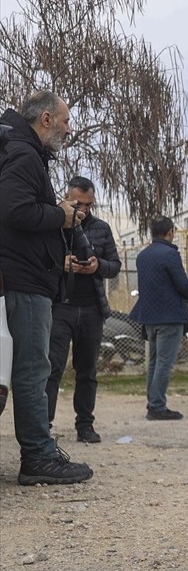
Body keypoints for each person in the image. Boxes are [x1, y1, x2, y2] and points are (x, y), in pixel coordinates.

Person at [0, 91, 94, 484]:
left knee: (28, 368)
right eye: (66, 120)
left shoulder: (19, 151)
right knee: (33, 368)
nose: (69, 128)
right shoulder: (23, 155)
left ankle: (39, 451)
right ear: (45, 120)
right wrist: (61, 215)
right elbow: (15, 210)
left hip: (24, 276)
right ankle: (38, 456)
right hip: (26, 280)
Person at [46, 176, 121, 444]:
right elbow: (38, 262)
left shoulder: (101, 228)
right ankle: (44, 428)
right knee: (52, 369)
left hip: (91, 309)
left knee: (87, 371)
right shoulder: (53, 225)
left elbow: (115, 264)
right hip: (59, 308)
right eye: (78, 203)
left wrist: (97, 265)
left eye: (88, 205)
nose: (83, 210)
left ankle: (85, 426)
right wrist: (60, 264)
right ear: (67, 198)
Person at [130, 215, 188, 421]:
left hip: (149, 316)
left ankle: (153, 402)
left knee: (154, 361)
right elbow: (183, 285)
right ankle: (158, 405)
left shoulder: (142, 256)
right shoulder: (170, 254)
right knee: (164, 363)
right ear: (170, 233)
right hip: (169, 316)